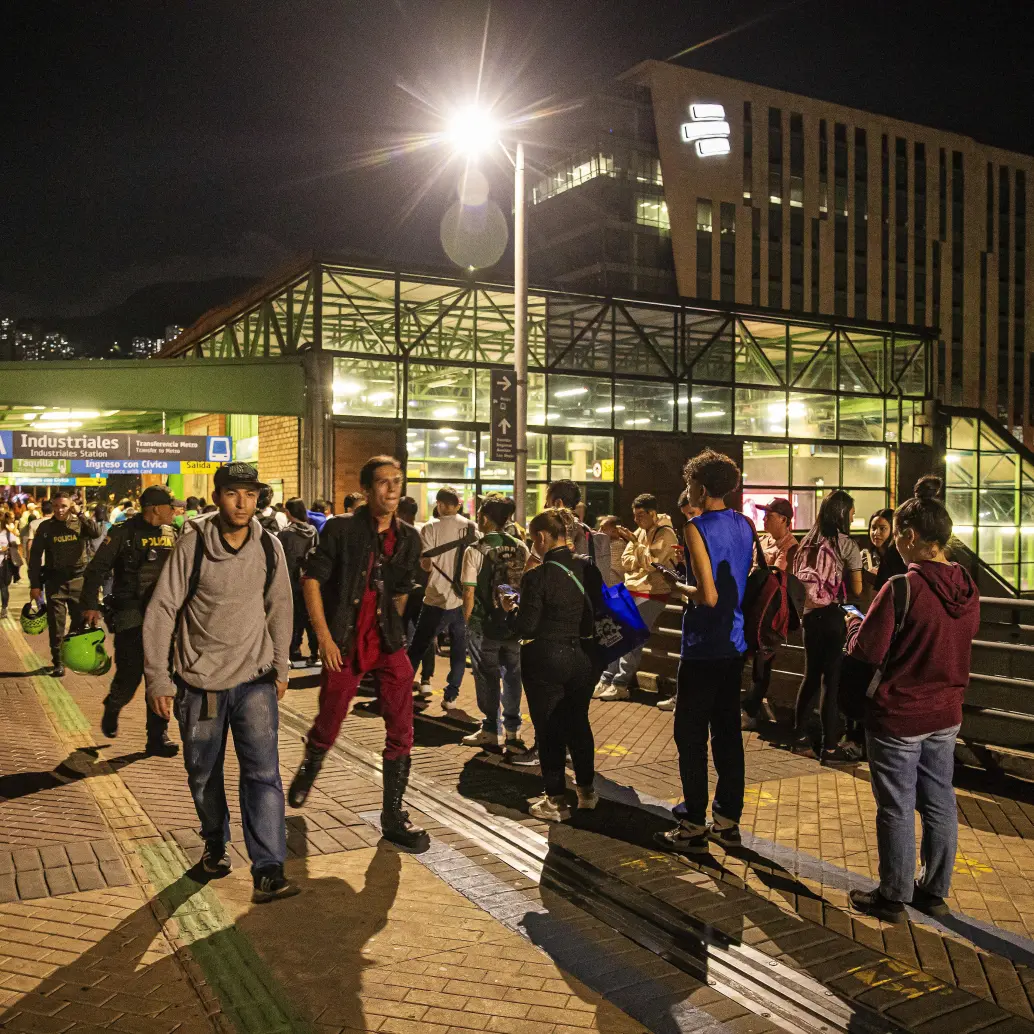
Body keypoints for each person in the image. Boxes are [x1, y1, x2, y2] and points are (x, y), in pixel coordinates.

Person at [143, 462, 297, 903]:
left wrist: (281, 667)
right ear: (218, 497)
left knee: (264, 775)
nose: (242, 502)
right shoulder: (193, 544)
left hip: (255, 680)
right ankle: (215, 842)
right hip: (200, 684)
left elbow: (280, 607)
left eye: (250, 494)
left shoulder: (270, 546)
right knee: (203, 774)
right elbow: (161, 611)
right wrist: (158, 680)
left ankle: (269, 868)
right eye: (233, 493)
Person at [847, 477, 979, 923]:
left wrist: (852, 626)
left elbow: (867, 650)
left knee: (896, 805)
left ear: (909, 536)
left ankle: (894, 893)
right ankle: (934, 888)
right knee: (940, 799)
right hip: (947, 712)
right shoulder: (967, 586)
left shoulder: (902, 587)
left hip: (899, 714)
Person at [287, 456, 426, 851]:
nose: (392, 490)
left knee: (402, 726)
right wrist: (325, 639)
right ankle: (313, 758)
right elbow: (312, 580)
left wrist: (393, 630)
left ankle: (393, 813)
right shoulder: (340, 529)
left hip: (387, 642)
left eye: (397, 482)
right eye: (383, 483)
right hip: (344, 642)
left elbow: (400, 593)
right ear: (367, 489)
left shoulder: (409, 538)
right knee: (331, 716)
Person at [655, 450, 754, 854]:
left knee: (690, 736)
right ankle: (727, 821)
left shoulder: (696, 527)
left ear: (700, 486)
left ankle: (694, 821)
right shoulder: (745, 523)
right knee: (728, 734)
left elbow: (708, 596)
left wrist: (677, 586)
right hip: (735, 643)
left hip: (702, 647)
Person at [502, 509, 601, 821]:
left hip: (546, 658)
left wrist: (510, 610)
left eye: (534, 540)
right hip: (584, 657)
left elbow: (527, 626)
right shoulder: (588, 569)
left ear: (542, 538)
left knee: (549, 730)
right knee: (578, 723)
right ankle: (586, 792)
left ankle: (556, 799)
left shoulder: (538, 576)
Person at [80, 486, 179, 756]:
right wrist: (89, 605)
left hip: (164, 615)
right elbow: (96, 570)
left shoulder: (174, 533)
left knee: (161, 674)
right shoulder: (122, 533)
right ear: (156, 509)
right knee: (131, 672)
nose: (175, 511)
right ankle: (114, 704)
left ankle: (158, 737)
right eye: (171, 507)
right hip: (131, 613)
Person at [792, 490, 864, 763]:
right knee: (830, 682)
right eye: (852, 512)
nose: (855, 517)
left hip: (810, 616)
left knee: (810, 676)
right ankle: (830, 748)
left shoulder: (807, 541)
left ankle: (799, 739)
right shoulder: (846, 545)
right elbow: (856, 589)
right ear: (843, 513)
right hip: (834, 615)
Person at [460, 495, 529, 752]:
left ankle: (490, 728)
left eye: (479, 513)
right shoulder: (522, 547)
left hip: (484, 623)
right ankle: (513, 733)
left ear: (485, 518)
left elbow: (469, 592)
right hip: (513, 623)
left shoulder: (476, 549)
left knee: (487, 677)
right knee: (513, 676)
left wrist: (468, 624)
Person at [594, 493, 679, 702]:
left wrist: (636, 547)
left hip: (654, 592)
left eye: (640, 515)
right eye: (635, 515)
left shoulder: (665, 533)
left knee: (631, 635)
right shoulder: (640, 532)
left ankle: (620, 683)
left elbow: (653, 564)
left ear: (652, 513)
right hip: (633, 588)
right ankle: (607, 677)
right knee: (614, 631)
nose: (636, 520)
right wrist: (641, 555)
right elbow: (626, 561)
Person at [406, 487, 475, 711]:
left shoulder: (428, 528)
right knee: (458, 650)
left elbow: (425, 565)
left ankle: (405, 688)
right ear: (458, 505)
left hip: (436, 597)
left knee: (418, 646)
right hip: (463, 598)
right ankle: (451, 696)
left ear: (439, 504)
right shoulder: (472, 528)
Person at [741, 498, 799, 730]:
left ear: (784, 520)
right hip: (751, 607)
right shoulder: (762, 541)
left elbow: (776, 577)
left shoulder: (791, 547)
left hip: (770, 614)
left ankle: (751, 710)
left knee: (763, 662)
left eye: (770, 516)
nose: (764, 520)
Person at [28, 491, 100, 677]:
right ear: (52, 506)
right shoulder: (46, 527)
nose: (60, 510)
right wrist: (34, 584)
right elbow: (35, 557)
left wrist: (80, 513)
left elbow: (95, 533)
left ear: (71, 506)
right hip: (55, 582)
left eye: (64, 506)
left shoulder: (80, 524)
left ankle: (73, 656)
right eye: (56, 506)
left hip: (79, 580)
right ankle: (58, 662)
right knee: (56, 624)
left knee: (79, 622)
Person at [397, 495, 434, 697]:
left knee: (400, 634)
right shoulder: (423, 533)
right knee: (424, 635)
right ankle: (426, 679)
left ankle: (403, 676)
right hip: (423, 591)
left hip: (403, 591)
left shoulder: (399, 534)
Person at [278, 497, 320, 668]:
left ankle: (293, 652)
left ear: (288, 512)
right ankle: (314, 653)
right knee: (311, 617)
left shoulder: (285, 534)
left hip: (290, 581)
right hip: (309, 580)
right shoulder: (313, 530)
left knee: (293, 618)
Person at [865, 508, 908, 592]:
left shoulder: (898, 557)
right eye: (873, 528)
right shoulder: (868, 555)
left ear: (893, 530)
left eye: (882, 528)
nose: (876, 533)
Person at [0, 511, 21, 620]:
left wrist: (7, 548)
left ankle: (4, 608)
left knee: (3, 587)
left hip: (4, 564)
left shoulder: (7, 534)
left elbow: (14, 545)